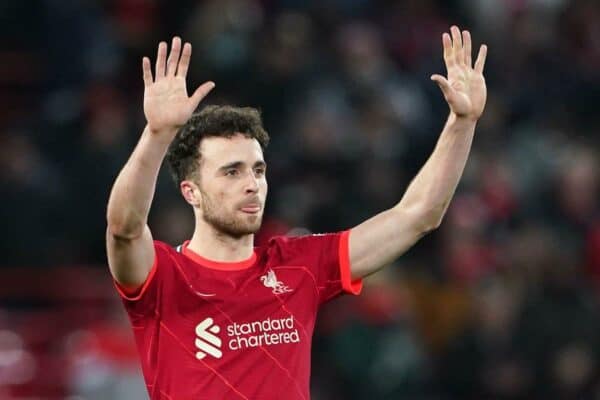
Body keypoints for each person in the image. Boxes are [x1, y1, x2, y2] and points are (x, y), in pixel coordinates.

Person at [106, 25, 487, 400]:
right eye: (232, 171)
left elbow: (418, 215)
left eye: (258, 169)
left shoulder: (298, 267)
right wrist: (157, 136)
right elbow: (124, 227)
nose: (252, 183)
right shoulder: (164, 279)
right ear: (191, 192)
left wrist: (462, 123)